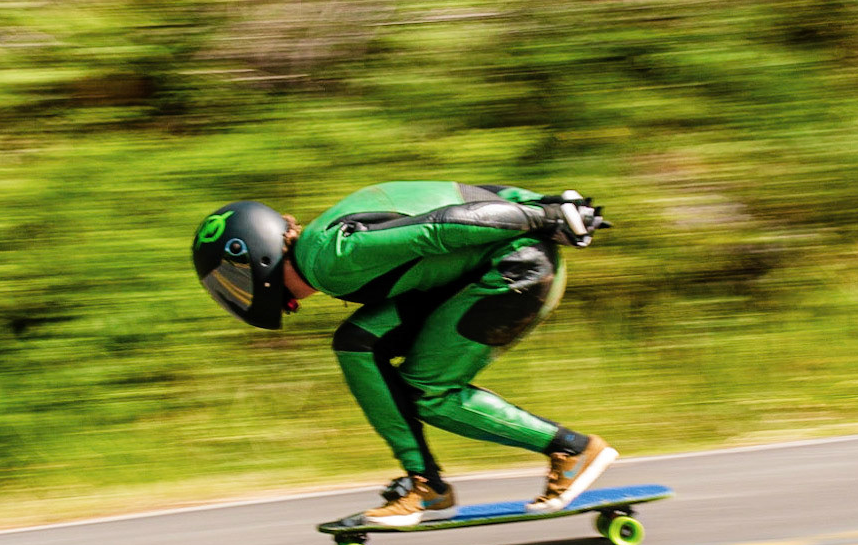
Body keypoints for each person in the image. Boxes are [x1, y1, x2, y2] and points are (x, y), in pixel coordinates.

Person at [191, 180, 616, 526]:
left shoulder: (327, 261)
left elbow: (441, 226)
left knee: (428, 392)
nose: (238, 292)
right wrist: (536, 203)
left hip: (514, 272)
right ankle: (425, 483)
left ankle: (572, 449)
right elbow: (471, 192)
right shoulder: (322, 245)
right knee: (358, 342)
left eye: (234, 279)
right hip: (486, 267)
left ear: (258, 252)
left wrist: (543, 216)